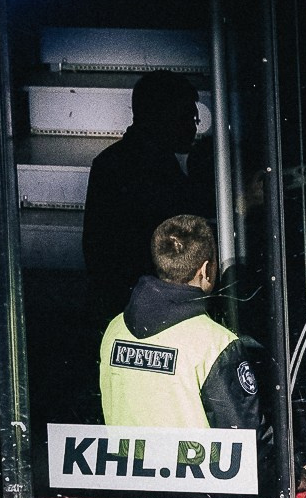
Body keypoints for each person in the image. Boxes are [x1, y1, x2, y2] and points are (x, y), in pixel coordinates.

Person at [98, 213, 262, 436]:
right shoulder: (216, 343)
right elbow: (245, 439)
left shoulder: (115, 329)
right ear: (205, 270)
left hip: (126, 459)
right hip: (193, 461)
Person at [82, 70, 211, 334]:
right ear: (166, 117)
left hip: (128, 308)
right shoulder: (155, 169)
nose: (193, 126)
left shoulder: (114, 161)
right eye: (188, 117)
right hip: (149, 309)